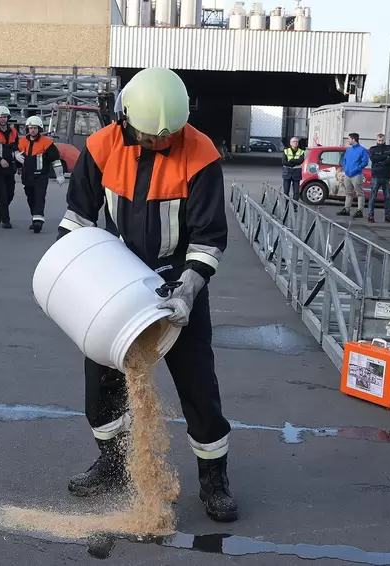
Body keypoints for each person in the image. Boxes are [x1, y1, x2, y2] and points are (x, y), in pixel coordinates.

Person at [56, 67, 237, 523]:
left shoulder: (200, 154)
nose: (159, 143)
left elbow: (208, 237)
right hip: (114, 280)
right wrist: (71, 280)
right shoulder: (102, 147)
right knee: (101, 385)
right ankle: (113, 464)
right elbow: (78, 217)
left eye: (168, 136)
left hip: (177, 280)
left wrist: (189, 290)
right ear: (124, 119)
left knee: (198, 386)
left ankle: (214, 480)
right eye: (149, 136)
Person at [15, 116, 64, 234]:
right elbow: (16, 153)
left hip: (41, 176)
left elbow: (55, 160)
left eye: (35, 128)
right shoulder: (21, 142)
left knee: (39, 197)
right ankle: (35, 217)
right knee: (30, 197)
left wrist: (60, 175)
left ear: (39, 129)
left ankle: (38, 221)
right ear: (27, 129)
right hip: (27, 176)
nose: (33, 130)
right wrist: (16, 155)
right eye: (31, 128)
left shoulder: (47, 143)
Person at [366, 133, 390, 223]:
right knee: (373, 196)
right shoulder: (372, 149)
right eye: (379, 140)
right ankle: (370, 215)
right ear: (376, 140)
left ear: (385, 140)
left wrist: (381, 161)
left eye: (382, 140)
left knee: (387, 197)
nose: (381, 142)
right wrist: (385, 157)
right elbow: (373, 159)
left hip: (387, 176)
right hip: (376, 175)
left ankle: (387, 216)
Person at [337, 132, 369, 218]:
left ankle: (360, 210)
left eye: (349, 139)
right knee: (348, 192)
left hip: (357, 174)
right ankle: (346, 209)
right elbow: (345, 160)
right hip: (348, 174)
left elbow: (365, 162)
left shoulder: (362, 150)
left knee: (359, 193)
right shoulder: (349, 150)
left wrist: (357, 169)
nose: (348, 140)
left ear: (353, 139)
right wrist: (345, 169)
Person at [281, 137, 305, 201]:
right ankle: (286, 208)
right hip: (287, 173)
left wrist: (291, 160)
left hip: (296, 173)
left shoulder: (301, 151)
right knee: (286, 192)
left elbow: (300, 161)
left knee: (296, 192)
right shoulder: (286, 151)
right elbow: (284, 162)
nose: (295, 143)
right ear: (290, 143)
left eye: (297, 141)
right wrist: (294, 163)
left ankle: (295, 207)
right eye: (294, 141)